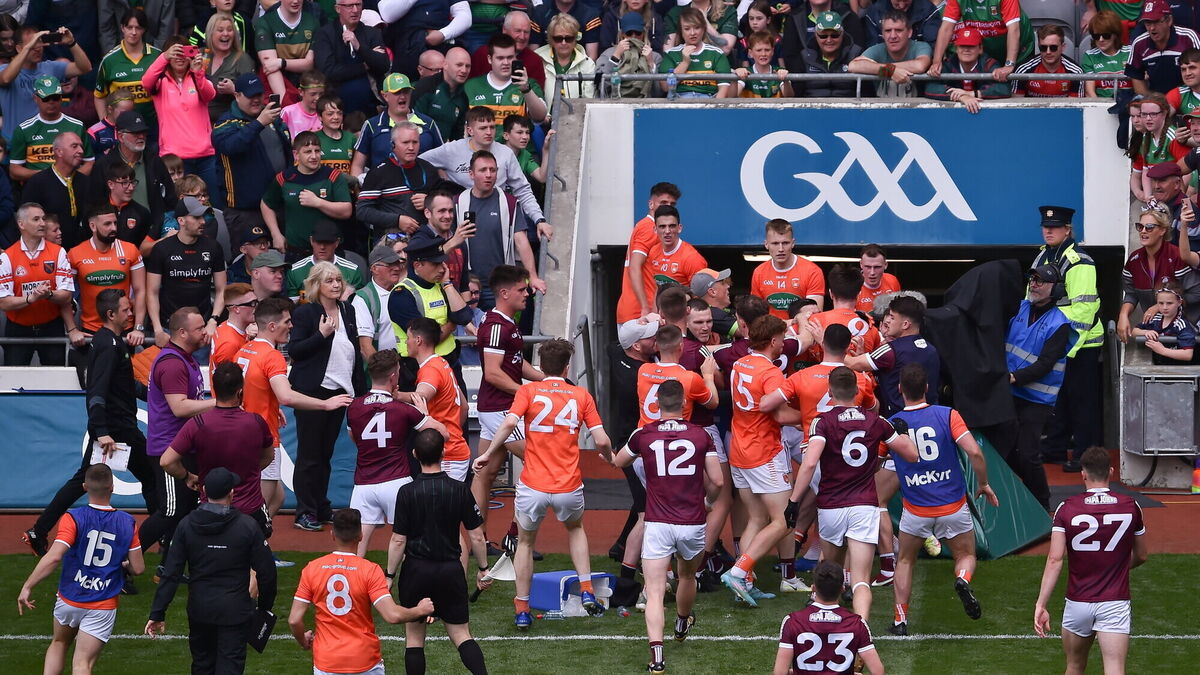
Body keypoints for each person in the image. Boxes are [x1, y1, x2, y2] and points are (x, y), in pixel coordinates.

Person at [473, 338, 614, 629]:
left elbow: (509, 424)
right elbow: (601, 439)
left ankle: (522, 610)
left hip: (533, 484)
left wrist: (487, 453)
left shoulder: (527, 391)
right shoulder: (581, 395)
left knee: (525, 542)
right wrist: (610, 458)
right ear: (567, 367)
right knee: (576, 529)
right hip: (568, 484)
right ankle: (587, 590)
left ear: (541, 366)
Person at [23, 289, 155, 557]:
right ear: (111, 314)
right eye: (126, 310)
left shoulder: (113, 342)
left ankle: (39, 530)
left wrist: (154, 396)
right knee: (154, 479)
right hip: (118, 430)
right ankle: (163, 535)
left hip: (114, 427)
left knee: (82, 480)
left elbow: (124, 384)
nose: (131, 313)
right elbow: (97, 391)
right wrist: (103, 431)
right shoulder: (108, 345)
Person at [786, 366, 918, 620]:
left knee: (829, 570)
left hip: (831, 506)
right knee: (860, 581)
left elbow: (810, 463)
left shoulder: (822, 421)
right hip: (863, 506)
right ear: (857, 391)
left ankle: (822, 616)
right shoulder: (877, 421)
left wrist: (794, 501)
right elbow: (912, 455)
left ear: (830, 392)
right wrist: (901, 433)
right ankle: (862, 630)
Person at [613, 379, 722, 674]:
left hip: (658, 522)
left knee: (655, 590)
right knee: (687, 576)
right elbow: (718, 480)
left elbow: (619, 460)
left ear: (656, 403)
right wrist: (708, 501)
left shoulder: (643, 434)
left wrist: (605, 453)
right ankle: (682, 622)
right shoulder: (700, 435)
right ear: (684, 403)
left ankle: (657, 657)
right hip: (692, 522)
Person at [888, 363, 998, 635]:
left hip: (915, 509)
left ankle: (900, 621)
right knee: (966, 555)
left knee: (905, 561)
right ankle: (963, 579)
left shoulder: (891, 425)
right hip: (953, 507)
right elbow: (975, 452)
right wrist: (983, 484)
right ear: (927, 388)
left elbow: (878, 463)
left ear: (900, 389)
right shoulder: (947, 415)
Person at [238, 297, 355, 534]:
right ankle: (249, 544)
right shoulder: (271, 355)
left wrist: (272, 407)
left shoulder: (246, 348)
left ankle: (255, 540)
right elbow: (287, 396)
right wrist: (325, 404)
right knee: (261, 500)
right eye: (286, 322)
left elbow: (249, 388)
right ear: (272, 326)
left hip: (248, 428)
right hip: (262, 434)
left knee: (277, 497)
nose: (291, 326)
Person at [145, 468, 278, 675]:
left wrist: (158, 612)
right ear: (232, 493)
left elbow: (171, 572)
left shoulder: (186, 525)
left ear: (205, 491)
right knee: (230, 667)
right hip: (235, 610)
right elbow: (267, 572)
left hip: (201, 609)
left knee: (202, 665)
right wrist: (264, 608)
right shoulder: (247, 526)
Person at [18, 464, 144, 675]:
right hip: (102, 603)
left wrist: (28, 586)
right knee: (82, 664)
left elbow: (54, 556)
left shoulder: (73, 517)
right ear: (112, 487)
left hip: (70, 598)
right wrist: (123, 565)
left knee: (59, 643)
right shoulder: (127, 522)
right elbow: (138, 568)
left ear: (85, 487)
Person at [1033, 446, 1148, 674]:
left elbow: (1055, 559)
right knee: (1115, 669)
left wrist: (1041, 604)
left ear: (1083, 474)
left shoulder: (1066, 508)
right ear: (1111, 472)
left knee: (1074, 666)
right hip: (1114, 602)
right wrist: (1116, 567)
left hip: (1078, 602)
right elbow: (1142, 555)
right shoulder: (1131, 506)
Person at [388, 429, 492, 675]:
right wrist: (483, 568)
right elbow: (476, 536)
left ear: (415, 454)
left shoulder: (407, 492)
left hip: (416, 571)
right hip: (450, 571)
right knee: (461, 635)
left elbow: (398, 540)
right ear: (443, 453)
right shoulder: (459, 489)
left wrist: (389, 575)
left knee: (414, 638)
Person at [290, 509, 437, 675]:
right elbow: (392, 615)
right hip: (364, 660)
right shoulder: (370, 570)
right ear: (360, 535)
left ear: (332, 535)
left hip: (327, 662)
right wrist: (420, 610)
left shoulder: (312, 569)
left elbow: (294, 620)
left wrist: (303, 641)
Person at [720, 315, 798, 607]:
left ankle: (746, 581)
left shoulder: (740, 364)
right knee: (783, 520)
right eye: (782, 338)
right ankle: (739, 573)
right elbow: (780, 415)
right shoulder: (770, 372)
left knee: (756, 518)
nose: (784, 343)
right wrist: (813, 415)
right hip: (764, 452)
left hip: (739, 449)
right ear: (773, 340)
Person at [288, 261, 366, 531]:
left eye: (338, 280)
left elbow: (354, 351)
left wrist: (359, 391)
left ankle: (321, 506)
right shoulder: (306, 313)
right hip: (312, 392)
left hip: (340, 391)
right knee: (309, 455)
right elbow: (295, 351)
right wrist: (321, 335)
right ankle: (305, 511)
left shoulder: (348, 309)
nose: (336, 285)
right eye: (329, 280)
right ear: (316, 285)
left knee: (325, 454)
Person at [472, 264, 545, 549]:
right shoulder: (495, 327)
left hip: (499, 408)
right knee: (539, 464)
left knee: (485, 473)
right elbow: (492, 373)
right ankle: (516, 536)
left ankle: (478, 540)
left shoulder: (507, 323)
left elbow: (515, 363)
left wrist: (546, 380)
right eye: (521, 289)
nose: (527, 294)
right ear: (504, 293)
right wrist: (527, 391)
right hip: (500, 410)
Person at [348, 350, 447, 556]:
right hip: (397, 481)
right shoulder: (404, 409)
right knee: (407, 540)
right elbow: (443, 434)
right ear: (393, 377)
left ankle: (353, 577)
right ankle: (396, 574)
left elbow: (355, 438)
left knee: (357, 543)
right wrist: (424, 415)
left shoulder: (354, 407)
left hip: (364, 483)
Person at [159, 362, 275, 537]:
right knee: (254, 553)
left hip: (210, 509)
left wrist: (187, 477)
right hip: (250, 510)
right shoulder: (257, 422)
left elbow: (166, 461)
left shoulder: (197, 423)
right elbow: (269, 456)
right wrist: (249, 472)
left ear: (214, 390)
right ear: (240, 391)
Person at [1030, 206, 1103, 474]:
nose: (1049, 231)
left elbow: (1084, 310)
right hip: (1056, 341)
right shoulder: (1042, 256)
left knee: (1082, 402)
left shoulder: (1080, 261)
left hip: (1081, 343)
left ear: (1068, 230)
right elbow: (1032, 297)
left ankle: (1085, 457)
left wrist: (1065, 346)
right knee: (1057, 398)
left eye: (1055, 227)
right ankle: (1055, 448)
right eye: (1046, 226)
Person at [138, 307, 215, 558]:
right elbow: (179, 407)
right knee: (171, 510)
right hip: (169, 449)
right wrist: (218, 403)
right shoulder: (173, 363)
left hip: (182, 446)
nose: (204, 332)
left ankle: (167, 566)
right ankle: (125, 558)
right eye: (199, 328)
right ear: (182, 332)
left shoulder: (185, 358)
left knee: (184, 510)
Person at [1003, 265, 1080, 511]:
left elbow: (1046, 364)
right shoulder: (1018, 307)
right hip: (1009, 392)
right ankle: (1029, 492)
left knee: (1028, 453)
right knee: (1004, 449)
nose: (1034, 284)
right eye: (1032, 279)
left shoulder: (1060, 324)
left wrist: (1013, 377)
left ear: (1055, 289)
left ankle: (1042, 504)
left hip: (1037, 400)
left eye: (1040, 281)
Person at [419, 106, 551, 233]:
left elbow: (523, 190)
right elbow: (417, 162)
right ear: (470, 130)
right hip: (458, 220)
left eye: (492, 127)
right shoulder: (451, 150)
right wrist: (431, 193)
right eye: (483, 128)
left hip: (495, 218)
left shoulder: (505, 153)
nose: (489, 132)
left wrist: (539, 219)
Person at [211, 73, 291, 246]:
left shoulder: (272, 119)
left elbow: (286, 153)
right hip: (245, 211)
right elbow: (231, 146)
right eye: (250, 96)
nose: (256, 100)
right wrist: (259, 123)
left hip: (278, 205)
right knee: (251, 260)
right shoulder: (225, 123)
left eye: (259, 95)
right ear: (237, 95)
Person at [457, 150, 547, 302]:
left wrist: (533, 277)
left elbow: (521, 241)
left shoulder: (509, 203)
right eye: (483, 170)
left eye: (492, 170)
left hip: (500, 287)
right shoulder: (458, 203)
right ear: (471, 174)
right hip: (468, 287)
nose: (488, 175)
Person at [388, 231, 473, 384]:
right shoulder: (402, 294)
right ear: (417, 265)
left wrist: (447, 284)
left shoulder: (442, 286)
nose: (442, 269)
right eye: (435, 264)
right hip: (418, 369)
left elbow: (464, 316)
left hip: (450, 363)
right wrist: (452, 324)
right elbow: (425, 340)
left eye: (442, 263)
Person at [773, 560, 884, 675]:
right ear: (842, 589)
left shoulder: (793, 621)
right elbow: (878, 671)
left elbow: (780, 673)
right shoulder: (857, 623)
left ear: (813, 588)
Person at [0, 201, 75, 366]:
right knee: (14, 378)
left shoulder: (58, 252)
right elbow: (3, 302)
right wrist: (30, 298)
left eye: (43, 219)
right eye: (36, 219)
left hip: (51, 326)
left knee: (56, 377)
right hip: (18, 329)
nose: (42, 223)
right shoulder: (7, 257)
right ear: (21, 224)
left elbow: (67, 295)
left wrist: (49, 294)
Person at [141, 37, 219, 193]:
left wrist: (198, 72)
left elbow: (210, 95)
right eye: (175, 53)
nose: (180, 57)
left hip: (205, 155)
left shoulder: (198, 77)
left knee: (211, 203)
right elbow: (146, 82)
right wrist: (163, 57)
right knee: (181, 204)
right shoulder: (160, 81)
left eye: (184, 52)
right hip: (175, 159)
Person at [145, 197, 227, 343]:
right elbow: (152, 292)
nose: (203, 221)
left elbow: (222, 290)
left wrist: (213, 320)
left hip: (203, 328)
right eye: (196, 217)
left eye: (203, 217)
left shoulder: (213, 247)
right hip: (169, 328)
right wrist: (158, 330)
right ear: (181, 221)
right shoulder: (162, 249)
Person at [261, 131, 353, 258]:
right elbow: (266, 204)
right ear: (296, 154)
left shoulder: (333, 176)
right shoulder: (284, 178)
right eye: (308, 152)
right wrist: (275, 234)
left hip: (329, 251)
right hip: (296, 252)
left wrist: (318, 203)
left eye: (317, 151)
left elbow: (346, 211)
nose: (314, 156)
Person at [845, 295, 939, 417]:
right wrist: (863, 356)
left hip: (899, 421)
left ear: (905, 324)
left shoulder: (891, 350)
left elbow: (851, 363)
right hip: (930, 418)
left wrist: (826, 343)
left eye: (892, 317)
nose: (888, 321)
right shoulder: (931, 350)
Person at [1119, 202, 1200, 336]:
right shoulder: (1134, 259)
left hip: (1184, 332)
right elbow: (1131, 294)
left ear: (1163, 230)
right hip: (1153, 331)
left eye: (1149, 227)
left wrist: (1159, 305)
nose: (1143, 231)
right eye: (1140, 226)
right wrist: (1123, 315)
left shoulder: (1176, 256)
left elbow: (1196, 293)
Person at [88, 110, 176, 233]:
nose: (141, 136)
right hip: (118, 233)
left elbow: (170, 199)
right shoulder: (104, 166)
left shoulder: (154, 161)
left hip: (152, 232)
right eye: (135, 133)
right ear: (120, 137)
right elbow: (95, 204)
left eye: (143, 132)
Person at [67, 205, 147, 341]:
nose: (113, 228)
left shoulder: (130, 250)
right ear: (93, 226)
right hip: (91, 330)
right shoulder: (75, 253)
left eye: (115, 223)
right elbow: (65, 295)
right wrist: (72, 329)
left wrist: (138, 328)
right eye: (107, 224)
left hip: (125, 329)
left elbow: (140, 291)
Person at [0, 27, 91, 143]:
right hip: (13, 141)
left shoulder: (50, 67)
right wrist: (27, 48)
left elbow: (85, 68)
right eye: (33, 45)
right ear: (19, 48)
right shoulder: (5, 69)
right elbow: (6, 79)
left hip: (44, 142)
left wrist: (72, 43)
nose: (37, 49)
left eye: (40, 43)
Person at [357, 122, 445, 239]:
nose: (411, 147)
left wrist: (430, 201)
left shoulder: (429, 169)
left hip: (426, 239)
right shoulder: (379, 173)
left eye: (415, 142)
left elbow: (446, 201)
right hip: (391, 241)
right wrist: (397, 220)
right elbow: (362, 211)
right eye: (405, 142)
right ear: (393, 145)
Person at [351, 72, 443, 179]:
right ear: (385, 96)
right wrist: (360, 186)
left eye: (406, 91)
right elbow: (357, 165)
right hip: (383, 187)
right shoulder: (372, 125)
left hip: (422, 186)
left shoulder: (428, 123)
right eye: (397, 93)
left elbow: (442, 161)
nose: (402, 96)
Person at [313, 0, 391, 116]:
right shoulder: (325, 34)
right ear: (338, 8)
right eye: (349, 6)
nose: (355, 10)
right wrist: (364, 66)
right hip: (337, 107)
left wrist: (359, 47)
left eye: (358, 5)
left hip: (370, 106)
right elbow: (328, 71)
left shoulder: (372, 33)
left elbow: (383, 65)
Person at [10, 78, 95, 183]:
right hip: (38, 186)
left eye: (55, 98)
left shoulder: (77, 126)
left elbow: (89, 162)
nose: (51, 102)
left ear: (61, 98)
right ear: (35, 98)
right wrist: (48, 176)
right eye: (46, 99)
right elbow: (14, 170)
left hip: (71, 186)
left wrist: (69, 181)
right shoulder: (24, 129)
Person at [616, 182, 680, 322]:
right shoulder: (650, 228)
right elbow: (634, 266)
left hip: (636, 310)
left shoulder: (646, 225)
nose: (668, 207)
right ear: (651, 204)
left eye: (672, 204)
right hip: (640, 313)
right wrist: (645, 307)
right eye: (663, 202)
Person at [463, 33, 549, 136]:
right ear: (489, 59)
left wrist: (526, 90)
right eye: (500, 58)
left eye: (510, 57)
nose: (506, 62)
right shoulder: (471, 86)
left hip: (518, 146)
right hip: (481, 146)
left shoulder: (529, 84)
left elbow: (540, 118)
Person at [929, 0, 1033, 81]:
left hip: (1020, 50)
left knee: (1014, 86)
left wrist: (1009, 64)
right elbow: (946, 29)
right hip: (989, 47)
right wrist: (937, 62)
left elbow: (1014, 30)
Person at [21, 130, 91, 248]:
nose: (81, 151)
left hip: (82, 251)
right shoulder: (38, 182)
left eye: (81, 146)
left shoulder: (87, 182)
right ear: (59, 152)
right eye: (74, 146)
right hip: (47, 251)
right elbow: (27, 221)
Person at [93, 9, 159, 129]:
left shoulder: (157, 57)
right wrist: (106, 125)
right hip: (121, 129)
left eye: (138, 28)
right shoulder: (109, 60)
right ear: (122, 28)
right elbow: (99, 96)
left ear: (144, 30)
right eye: (129, 27)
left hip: (154, 127)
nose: (133, 32)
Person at [922, 27, 1012, 112]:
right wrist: (962, 97)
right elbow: (931, 87)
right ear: (956, 49)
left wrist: (972, 94)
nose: (966, 50)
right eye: (962, 46)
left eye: (971, 46)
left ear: (980, 49)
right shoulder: (948, 64)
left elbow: (1004, 89)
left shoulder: (989, 63)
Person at [805, 264, 882, 362]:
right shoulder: (871, 328)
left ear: (830, 293)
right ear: (859, 295)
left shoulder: (813, 321)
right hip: (857, 372)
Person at [751, 218, 824, 319]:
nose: (781, 249)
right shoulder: (759, 272)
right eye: (775, 243)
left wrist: (789, 324)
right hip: (770, 328)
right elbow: (755, 315)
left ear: (793, 243)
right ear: (766, 244)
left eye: (785, 243)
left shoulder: (812, 271)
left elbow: (815, 316)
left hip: (801, 328)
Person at [849, 10, 931, 98]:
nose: (893, 36)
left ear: (909, 32)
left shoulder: (921, 46)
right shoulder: (878, 49)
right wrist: (890, 71)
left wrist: (884, 69)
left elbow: (920, 66)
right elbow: (853, 66)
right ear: (882, 34)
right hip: (882, 105)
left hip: (916, 105)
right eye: (888, 31)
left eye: (898, 30)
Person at [658, 7, 734, 99]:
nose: (692, 33)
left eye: (697, 27)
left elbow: (723, 88)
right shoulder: (671, 54)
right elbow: (665, 87)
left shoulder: (716, 53)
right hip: (680, 101)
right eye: (687, 29)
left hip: (709, 99)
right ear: (681, 31)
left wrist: (714, 105)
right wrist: (685, 63)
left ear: (704, 29)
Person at [1127, 1, 1200, 95]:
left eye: (1156, 22)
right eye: (1148, 23)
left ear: (1169, 20)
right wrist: (1151, 97)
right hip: (1156, 99)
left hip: (1188, 97)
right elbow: (1135, 76)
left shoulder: (1189, 37)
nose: (1152, 28)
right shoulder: (1139, 43)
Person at [254, 0, 318, 97]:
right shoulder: (265, 22)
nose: (295, 1)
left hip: (306, 85)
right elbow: (270, 67)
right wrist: (284, 100)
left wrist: (281, 63)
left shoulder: (313, 22)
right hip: (277, 86)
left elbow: (309, 64)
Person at [790, 12, 862, 98]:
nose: (829, 40)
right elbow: (796, 95)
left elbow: (867, 93)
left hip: (849, 105)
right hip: (812, 105)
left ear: (842, 33)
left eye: (834, 35)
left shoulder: (856, 54)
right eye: (823, 36)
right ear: (816, 35)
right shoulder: (804, 57)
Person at [468, 10, 548, 88]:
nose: (522, 37)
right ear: (504, 30)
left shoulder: (534, 60)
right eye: (518, 31)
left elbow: (538, 94)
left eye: (526, 32)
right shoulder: (484, 54)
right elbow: (470, 87)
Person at [353, 244, 406, 358]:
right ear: (374, 269)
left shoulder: (404, 291)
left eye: (397, 263)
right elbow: (365, 347)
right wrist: (384, 369)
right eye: (390, 265)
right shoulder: (363, 299)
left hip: (408, 363)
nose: (397, 268)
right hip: (383, 366)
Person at [202, 11, 256, 124]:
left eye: (230, 30)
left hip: (228, 123)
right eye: (220, 30)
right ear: (210, 33)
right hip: (198, 120)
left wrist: (234, 90)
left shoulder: (242, 59)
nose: (226, 34)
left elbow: (254, 99)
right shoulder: (201, 55)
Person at [534, 13, 596, 108]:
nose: (563, 43)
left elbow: (589, 100)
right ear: (551, 39)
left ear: (575, 39)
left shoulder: (587, 64)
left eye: (569, 38)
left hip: (576, 116)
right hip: (544, 116)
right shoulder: (537, 59)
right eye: (558, 38)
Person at [413, 46, 472, 140]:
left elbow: (457, 135)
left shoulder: (463, 97)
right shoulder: (426, 87)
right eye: (459, 65)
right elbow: (412, 123)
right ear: (445, 65)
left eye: (468, 66)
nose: (464, 70)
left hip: (444, 147)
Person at [1013, 24, 1084, 97]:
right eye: (1043, 48)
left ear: (1063, 47)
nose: (1048, 52)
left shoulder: (1075, 73)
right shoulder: (1023, 70)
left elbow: (1075, 104)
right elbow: (1016, 102)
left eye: (1053, 47)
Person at [1134, 283, 1196, 363]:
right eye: (1161, 303)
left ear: (1179, 302)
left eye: (1169, 303)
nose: (1165, 307)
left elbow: (1188, 355)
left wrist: (1162, 350)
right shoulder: (1155, 319)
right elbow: (1134, 331)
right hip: (1158, 365)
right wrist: (1146, 332)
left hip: (1179, 367)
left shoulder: (1182, 325)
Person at [1083, 11, 1133, 100]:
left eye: (1106, 35)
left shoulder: (1131, 52)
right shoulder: (1089, 56)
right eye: (1096, 36)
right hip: (1102, 103)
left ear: (1115, 35)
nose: (1101, 39)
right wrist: (1100, 106)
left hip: (1129, 103)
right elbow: (1089, 92)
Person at [736, 31, 791, 98]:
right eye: (759, 50)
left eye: (767, 50)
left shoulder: (779, 71)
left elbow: (789, 96)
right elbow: (732, 96)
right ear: (750, 53)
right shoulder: (746, 72)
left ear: (772, 51)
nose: (763, 54)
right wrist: (735, 78)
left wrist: (785, 80)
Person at [857, 244, 901, 315]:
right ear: (861, 264)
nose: (872, 272)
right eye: (868, 267)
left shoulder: (892, 280)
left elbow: (898, 311)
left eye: (877, 267)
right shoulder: (852, 288)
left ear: (885, 265)